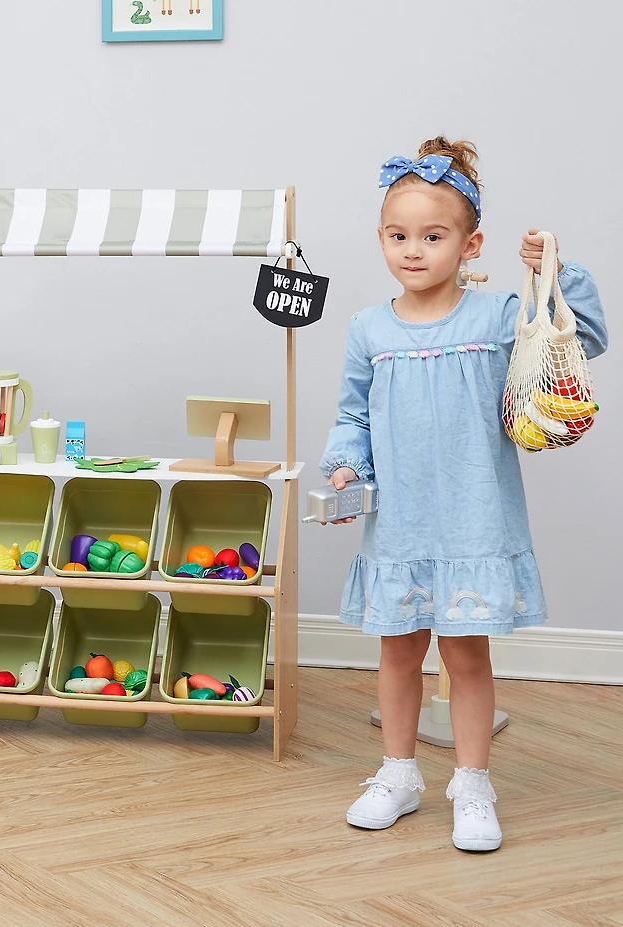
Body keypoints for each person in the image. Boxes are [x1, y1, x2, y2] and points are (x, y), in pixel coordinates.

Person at [319, 136, 607, 852]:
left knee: (467, 656)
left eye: (433, 236)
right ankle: (399, 772)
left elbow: (586, 336)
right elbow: (352, 413)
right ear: (381, 239)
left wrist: (554, 274)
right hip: (401, 525)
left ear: (470, 243)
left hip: (473, 521)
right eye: (398, 235)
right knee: (396, 651)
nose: (412, 250)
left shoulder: (497, 314)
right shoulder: (368, 329)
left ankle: (472, 783)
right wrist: (346, 463)